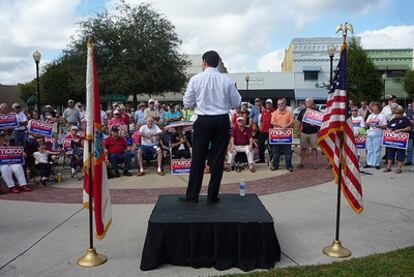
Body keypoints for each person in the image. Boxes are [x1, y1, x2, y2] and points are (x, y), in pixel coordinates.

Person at [181, 50, 241, 204]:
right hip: (221, 120)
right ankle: (212, 196)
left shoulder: (196, 79)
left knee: (198, 158)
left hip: (203, 119)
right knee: (218, 158)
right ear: (218, 63)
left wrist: (198, 104)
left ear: (204, 62)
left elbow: (187, 103)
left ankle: (192, 196)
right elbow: (237, 103)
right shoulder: (226, 80)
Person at [383, 105, 411, 174]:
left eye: (397, 113)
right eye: (395, 113)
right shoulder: (393, 120)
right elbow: (388, 126)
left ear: (401, 113)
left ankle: (399, 168)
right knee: (390, 153)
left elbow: (409, 128)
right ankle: (388, 167)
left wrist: (400, 130)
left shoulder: (405, 119)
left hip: (401, 141)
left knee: (400, 154)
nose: (395, 114)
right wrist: (388, 129)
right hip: (392, 140)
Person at [270, 98, 294, 172]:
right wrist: (281, 126)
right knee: (276, 152)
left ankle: (289, 166)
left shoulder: (289, 113)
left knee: (288, 151)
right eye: (278, 104)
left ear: (285, 104)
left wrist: (286, 126)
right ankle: (275, 165)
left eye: (282, 103)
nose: (280, 105)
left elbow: (292, 122)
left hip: (286, 136)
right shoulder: (274, 113)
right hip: (276, 136)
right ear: (277, 105)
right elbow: (272, 122)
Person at [296, 97, 319, 169]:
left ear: (312, 102)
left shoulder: (316, 111)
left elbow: (320, 122)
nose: (308, 103)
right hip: (303, 132)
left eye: (310, 101)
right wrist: (298, 131)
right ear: (305, 103)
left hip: (313, 132)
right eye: (307, 101)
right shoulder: (302, 111)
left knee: (314, 148)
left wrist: (315, 124)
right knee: (303, 148)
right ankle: (301, 162)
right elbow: (299, 122)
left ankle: (315, 163)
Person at [364, 102, 387, 169]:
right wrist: (367, 124)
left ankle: (377, 163)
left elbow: (385, 125)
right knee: (369, 149)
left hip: (377, 134)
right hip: (370, 134)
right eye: (373, 107)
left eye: (375, 107)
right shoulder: (370, 115)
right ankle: (369, 163)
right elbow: (366, 124)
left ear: (378, 108)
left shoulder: (382, 116)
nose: (374, 108)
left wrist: (378, 126)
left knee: (377, 149)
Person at [405, 100, 414, 166]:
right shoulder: (408, 111)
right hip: (410, 132)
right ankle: (408, 161)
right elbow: (405, 120)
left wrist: (411, 121)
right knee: (409, 148)